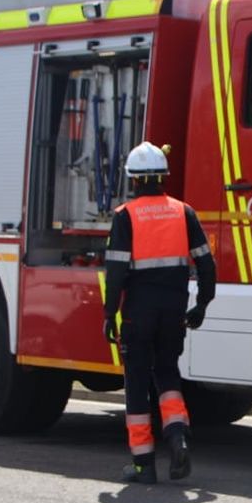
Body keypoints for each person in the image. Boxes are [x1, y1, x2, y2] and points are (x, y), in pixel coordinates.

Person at [102, 141, 215, 484]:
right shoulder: (184, 212)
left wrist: (110, 315)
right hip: (174, 312)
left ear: (134, 181)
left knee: (137, 381)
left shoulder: (126, 216)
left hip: (138, 314)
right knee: (167, 373)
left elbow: (116, 273)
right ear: (164, 177)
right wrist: (202, 304)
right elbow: (207, 265)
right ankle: (177, 436)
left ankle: (143, 464)